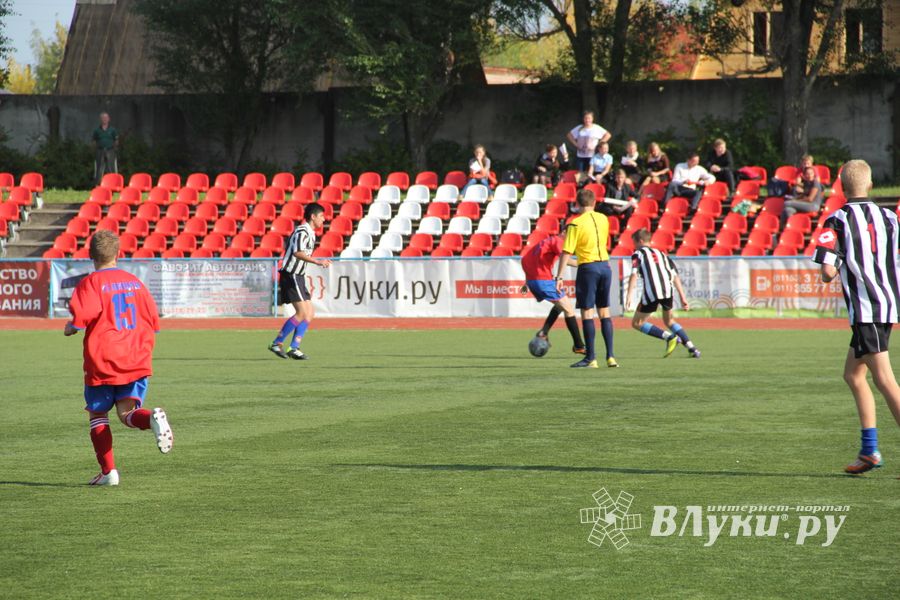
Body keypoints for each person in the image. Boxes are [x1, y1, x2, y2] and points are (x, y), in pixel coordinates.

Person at [64, 230, 173, 486]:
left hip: (103, 359)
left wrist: (72, 326)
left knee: (98, 414)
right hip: (136, 357)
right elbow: (153, 322)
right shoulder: (135, 282)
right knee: (127, 414)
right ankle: (152, 418)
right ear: (119, 254)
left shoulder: (91, 282)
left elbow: (83, 314)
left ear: (90, 255)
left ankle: (109, 472)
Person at [812, 159, 900, 475]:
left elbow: (826, 271)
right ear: (871, 185)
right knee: (853, 375)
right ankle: (869, 450)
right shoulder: (890, 217)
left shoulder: (836, 220)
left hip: (866, 309)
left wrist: (834, 268)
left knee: (885, 379)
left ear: (840, 187)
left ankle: (871, 449)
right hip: (886, 304)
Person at [555, 188, 616, 368]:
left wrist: (559, 276)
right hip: (605, 266)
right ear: (594, 202)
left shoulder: (575, 224)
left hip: (588, 268)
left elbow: (566, 252)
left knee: (587, 312)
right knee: (604, 311)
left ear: (577, 204)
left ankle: (591, 358)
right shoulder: (604, 219)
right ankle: (611, 357)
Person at [624, 229, 701, 359]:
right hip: (668, 291)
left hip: (652, 291)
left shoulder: (638, 253)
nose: (634, 246)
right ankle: (692, 348)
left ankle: (670, 337)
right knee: (669, 320)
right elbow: (675, 276)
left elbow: (634, 274)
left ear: (640, 241)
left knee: (637, 323)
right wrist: (683, 298)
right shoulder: (662, 254)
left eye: (634, 242)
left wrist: (629, 295)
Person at [269, 203, 332, 360]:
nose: (324, 219)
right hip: (291, 275)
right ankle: (277, 343)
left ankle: (294, 347)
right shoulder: (302, 231)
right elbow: (297, 252)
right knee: (302, 313)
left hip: (299, 276)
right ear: (313, 216)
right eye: (322, 216)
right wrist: (317, 262)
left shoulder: (310, 233)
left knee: (309, 313)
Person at [521, 234, 585, 354]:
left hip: (534, 280)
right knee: (569, 309)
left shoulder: (546, 241)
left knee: (560, 305)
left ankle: (543, 332)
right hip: (543, 280)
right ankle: (579, 345)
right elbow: (565, 259)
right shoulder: (558, 241)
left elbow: (525, 259)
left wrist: (527, 281)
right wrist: (585, 262)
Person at [92, 112, 118, 186]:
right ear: (100, 119)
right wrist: (96, 149)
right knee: (99, 168)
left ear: (109, 119)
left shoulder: (112, 130)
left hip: (110, 150)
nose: (104, 119)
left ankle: (113, 185)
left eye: (106, 118)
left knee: (111, 168)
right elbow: (94, 140)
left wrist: (113, 148)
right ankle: (98, 185)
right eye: (103, 118)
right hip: (100, 150)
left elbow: (116, 140)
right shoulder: (97, 130)